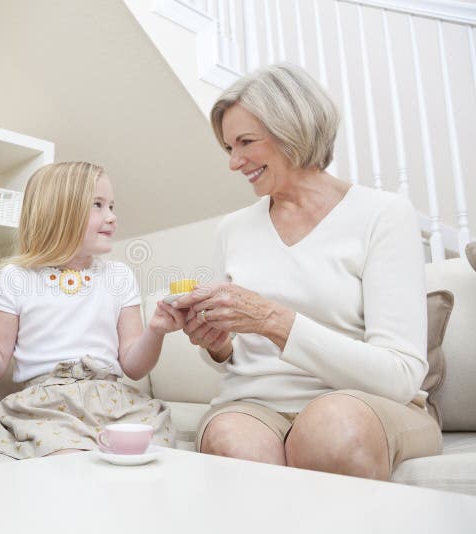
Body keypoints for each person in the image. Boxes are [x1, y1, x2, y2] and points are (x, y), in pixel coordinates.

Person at [175, 63, 441, 480]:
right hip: (254, 403)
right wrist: (218, 345)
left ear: (292, 130)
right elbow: (237, 360)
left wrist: (272, 320)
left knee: (332, 431)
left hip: (362, 401)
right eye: (229, 148)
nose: (234, 162)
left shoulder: (383, 215)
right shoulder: (233, 229)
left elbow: (400, 375)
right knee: (234, 444)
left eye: (246, 142)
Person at [0, 162, 179, 458]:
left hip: (113, 401)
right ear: (61, 213)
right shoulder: (17, 277)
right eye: (98, 205)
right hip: (47, 405)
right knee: (69, 460)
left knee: (155, 450)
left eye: (111, 205)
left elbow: (134, 367)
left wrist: (156, 331)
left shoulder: (120, 276)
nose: (112, 217)